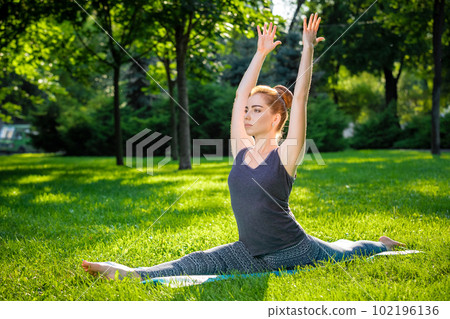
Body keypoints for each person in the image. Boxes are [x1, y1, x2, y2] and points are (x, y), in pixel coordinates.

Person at [82, 13, 405, 281]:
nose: (248, 115)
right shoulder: (241, 148)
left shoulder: (287, 154)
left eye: (257, 110)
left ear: (278, 117)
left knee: (346, 251)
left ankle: (382, 244)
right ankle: (133, 273)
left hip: (294, 249)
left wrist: (307, 47)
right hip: (250, 248)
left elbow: (301, 97)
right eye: (247, 110)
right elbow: (239, 97)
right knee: (198, 259)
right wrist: (260, 53)